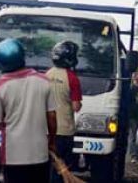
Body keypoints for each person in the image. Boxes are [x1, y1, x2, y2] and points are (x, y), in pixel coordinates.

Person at [0, 39, 56, 183]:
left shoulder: (0, 87)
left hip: (13, 156)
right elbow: (52, 117)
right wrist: (52, 142)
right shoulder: (44, 81)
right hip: (40, 154)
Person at [45, 41, 82, 183]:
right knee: (62, 169)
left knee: (48, 166)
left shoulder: (46, 75)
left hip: (46, 130)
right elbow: (76, 107)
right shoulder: (72, 78)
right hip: (64, 131)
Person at [127, 69, 138, 163]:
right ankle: (133, 155)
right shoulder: (131, 89)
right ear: (134, 76)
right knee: (132, 136)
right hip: (133, 116)